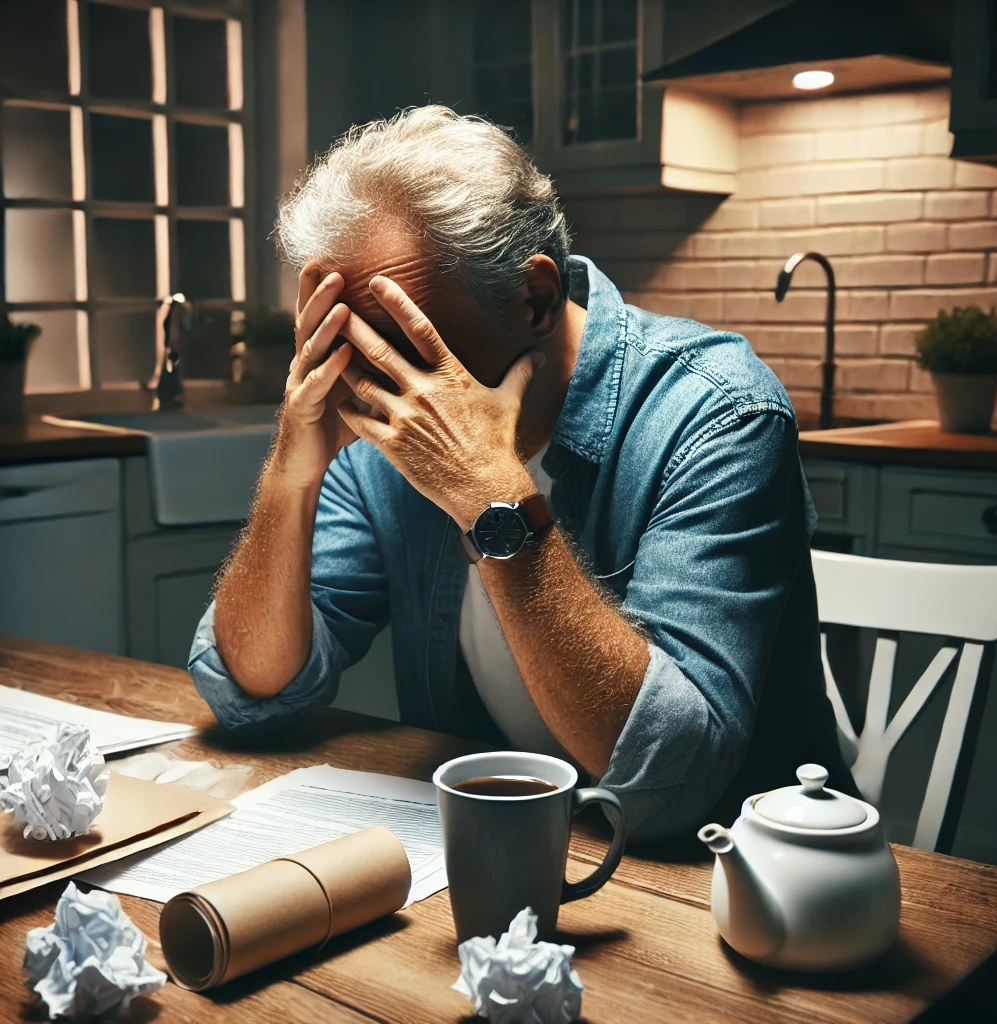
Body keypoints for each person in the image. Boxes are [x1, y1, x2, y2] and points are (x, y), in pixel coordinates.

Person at [190, 106, 853, 842]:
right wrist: (290, 472)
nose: (367, 382)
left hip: (736, 871)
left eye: (401, 341)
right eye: (344, 342)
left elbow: (669, 783)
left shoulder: (718, 412)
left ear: (535, 298)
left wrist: (489, 493)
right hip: (511, 849)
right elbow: (251, 690)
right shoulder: (380, 433)